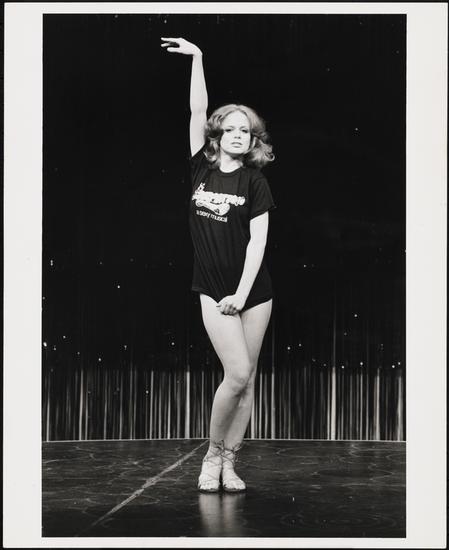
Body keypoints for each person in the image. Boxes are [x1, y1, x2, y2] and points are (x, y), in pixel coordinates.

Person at [161, 36, 276, 493]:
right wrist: (199, 59)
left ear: (252, 140)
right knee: (237, 373)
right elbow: (196, 110)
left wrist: (242, 295)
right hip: (212, 287)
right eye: (230, 129)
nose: (237, 135)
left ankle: (230, 462)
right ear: (217, 135)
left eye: (245, 131)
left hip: (252, 292)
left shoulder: (255, 182)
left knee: (248, 381)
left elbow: (258, 243)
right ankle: (211, 455)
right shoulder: (200, 170)